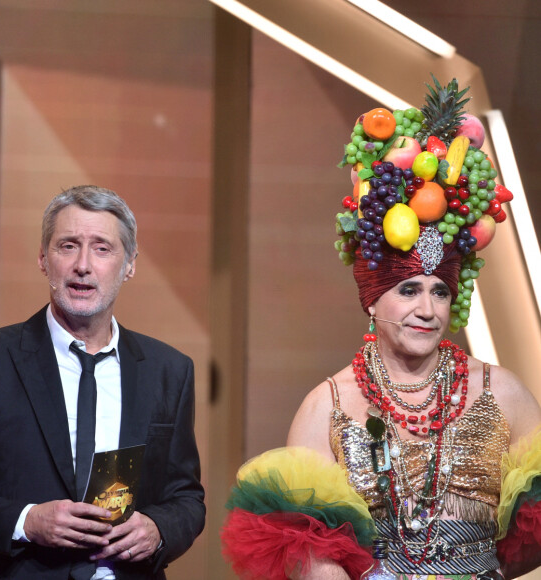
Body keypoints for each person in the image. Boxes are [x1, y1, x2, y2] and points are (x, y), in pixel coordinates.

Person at [221, 78, 541, 580]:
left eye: (440, 292)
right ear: (373, 299)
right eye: (409, 290)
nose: (428, 310)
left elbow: (533, 532)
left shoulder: (500, 391)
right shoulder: (327, 404)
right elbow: (306, 550)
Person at [0, 185, 205, 579]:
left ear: (130, 264)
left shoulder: (169, 371)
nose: (83, 265)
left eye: (102, 248)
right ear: (43, 258)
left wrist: (158, 530)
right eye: (68, 245)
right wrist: (26, 521)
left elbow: (187, 498)